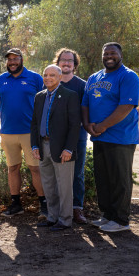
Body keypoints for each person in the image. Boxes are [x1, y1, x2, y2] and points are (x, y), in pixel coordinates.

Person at [82, 42, 139, 232]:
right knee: (103, 179)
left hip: (121, 137)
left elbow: (125, 107)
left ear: (120, 55)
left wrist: (102, 126)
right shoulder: (94, 77)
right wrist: (87, 125)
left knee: (119, 179)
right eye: (106, 53)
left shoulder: (128, 76)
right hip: (99, 137)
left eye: (113, 53)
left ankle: (121, 220)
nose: (109, 56)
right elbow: (85, 104)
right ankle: (107, 215)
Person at [0, 48, 46, 218]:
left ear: (22, 59)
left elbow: (45, 101)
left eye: (16, 59)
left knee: (35, 168)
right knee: (12, 168)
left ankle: (44, 204)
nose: (12, 62)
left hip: (30, 132)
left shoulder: (35, 78)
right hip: (8, 132)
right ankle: (16, 204)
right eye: (9, 59)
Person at [31, 65, 81, 231]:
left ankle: (65, 220)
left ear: (60, 77)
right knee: (49, 185)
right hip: (43, 146)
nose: (48, 78)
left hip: (62, 149)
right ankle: (52, 217)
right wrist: (34, 144)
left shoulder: (70, 96)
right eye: (45, 75)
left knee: (64, 186)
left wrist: (69, 148)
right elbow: (35, 123)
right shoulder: (39, 96)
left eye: (52, 75)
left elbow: (75, 125)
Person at [54, 48, 88, 224]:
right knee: (56, 173)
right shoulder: (51, 82)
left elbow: (86, 112)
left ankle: (77, 208)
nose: (66, 63)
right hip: (54, 138)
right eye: (63, 60)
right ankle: (59, 209)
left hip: (78, 138)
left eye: (70, 61)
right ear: (57, 62)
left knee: (77, 173)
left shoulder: (82, 85)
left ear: (75, 65)